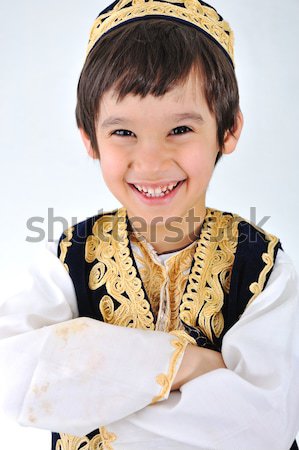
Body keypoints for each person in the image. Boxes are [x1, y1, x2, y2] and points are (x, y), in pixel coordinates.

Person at [0, 1, 299, 449]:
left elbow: (263, 427)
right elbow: (10, 375)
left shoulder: (264, 268)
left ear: (228, 130)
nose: (152, 161)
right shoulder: (67, 258)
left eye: (180, 129)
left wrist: (85, 390)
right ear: (89, 138)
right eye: (123, 132)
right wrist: (189, 366)